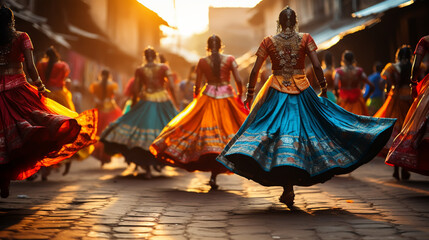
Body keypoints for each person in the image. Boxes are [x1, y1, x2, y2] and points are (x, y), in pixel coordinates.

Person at [216, 7, 396, 207]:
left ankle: (287, 186)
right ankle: (290, 185)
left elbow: (255, 70)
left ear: (279, 22)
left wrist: (250, 94)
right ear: (294, 22)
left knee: (272, 134)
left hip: (275, 91)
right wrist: (324, 89)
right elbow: (317, 66)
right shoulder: (306, 39)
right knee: (311, 132)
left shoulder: (268, 41)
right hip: (303, 91)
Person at [0, 6, 97, 197]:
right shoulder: (22, 37)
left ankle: (2, 182)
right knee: (26, 135)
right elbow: (29, 66)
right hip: (19, 92)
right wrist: (39, 86)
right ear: (12, 21)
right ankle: (5, 185)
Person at [150, 35, 248, 189]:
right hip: (227, 97)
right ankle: (215, 174)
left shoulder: (202, 62)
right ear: (221, 46)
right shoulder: (230, 59)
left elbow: (197, 85)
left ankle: (212, 173)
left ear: (208, 47)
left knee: (200, 131)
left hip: (207, 96)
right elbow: (239, 81)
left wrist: (197, 101)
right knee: (230, 130)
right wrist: (240, 96)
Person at [101, 47, 178, 179]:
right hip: (164, 101)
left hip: (146, 100)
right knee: (170, 128)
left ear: (145, 57)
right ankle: (159, 162)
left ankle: (148, 166)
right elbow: (171, 85)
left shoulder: (140, 70)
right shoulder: (164, 68)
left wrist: (136, 105)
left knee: (141, 132)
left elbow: (136, 89)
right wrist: (175, 101)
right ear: (155, 56)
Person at [386, 36, 429, 177]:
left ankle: (397, 164)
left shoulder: (392, 68)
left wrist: (413, 83)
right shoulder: (422, 67)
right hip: (412, 99)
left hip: (398, 99)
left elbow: (389, 85)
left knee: (401, 128)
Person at [374, 45, 413, 180]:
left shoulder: (391, 68)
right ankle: (405, 169)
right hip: (410, 101)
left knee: (395, 133)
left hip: (395, 100)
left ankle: (396, 167)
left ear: (398, 55)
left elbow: (387, 86)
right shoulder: (414, 66)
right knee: (408, 132)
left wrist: (387, 96)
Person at [89, 70, 122, 165]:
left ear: (100, 75)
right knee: (108, 134)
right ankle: (106, 155)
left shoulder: (95, 85)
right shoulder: (112, 85)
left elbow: (93, 96)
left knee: (97, 133)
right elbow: (115, 95)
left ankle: (99, 155)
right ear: (109, 76)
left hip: (98, 109)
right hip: (111, 109)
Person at [335, 51, 374, 115]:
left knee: (344, 122)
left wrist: (338, 97)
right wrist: (365, 98)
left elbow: (336, 85)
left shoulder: (339, 72)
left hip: (344, 101)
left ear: (343, 60)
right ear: (353, 60)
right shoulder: (359, 71)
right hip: (358, 102)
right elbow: (372, 86)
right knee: (359, 122)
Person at [37, 46, 74, 111]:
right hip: (59, 95)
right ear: (56, 55)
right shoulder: (63, 66)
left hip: (44, 94)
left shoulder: (41, 65)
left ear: (46, 56)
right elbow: (65, 77)